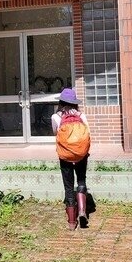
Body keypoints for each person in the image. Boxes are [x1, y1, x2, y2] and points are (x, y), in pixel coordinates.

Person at [51, 87, 90, 230]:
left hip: (65, 155)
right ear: (75, 102)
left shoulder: (56, 117)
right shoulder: (81, 115)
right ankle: (82, 210)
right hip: (81, 154)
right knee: (81, 180)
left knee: (68, 186)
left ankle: (72, 222)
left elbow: (55, 133)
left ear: (61, 102)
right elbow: (87, 134)